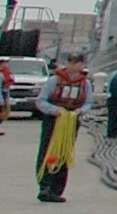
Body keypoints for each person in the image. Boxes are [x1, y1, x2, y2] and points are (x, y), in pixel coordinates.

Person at [34, 52, 89, 200]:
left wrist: (79, 111)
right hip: (54, 120)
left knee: (64, 153)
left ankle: (57, 189)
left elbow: (88, 103)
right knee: (47, 151)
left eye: (78, 63)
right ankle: (44, 186)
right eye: (72, 62)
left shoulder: (85, 83)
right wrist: (55, 110)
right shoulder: (54, 80)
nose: (75, 66)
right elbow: (41, 101)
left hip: (71, 122)